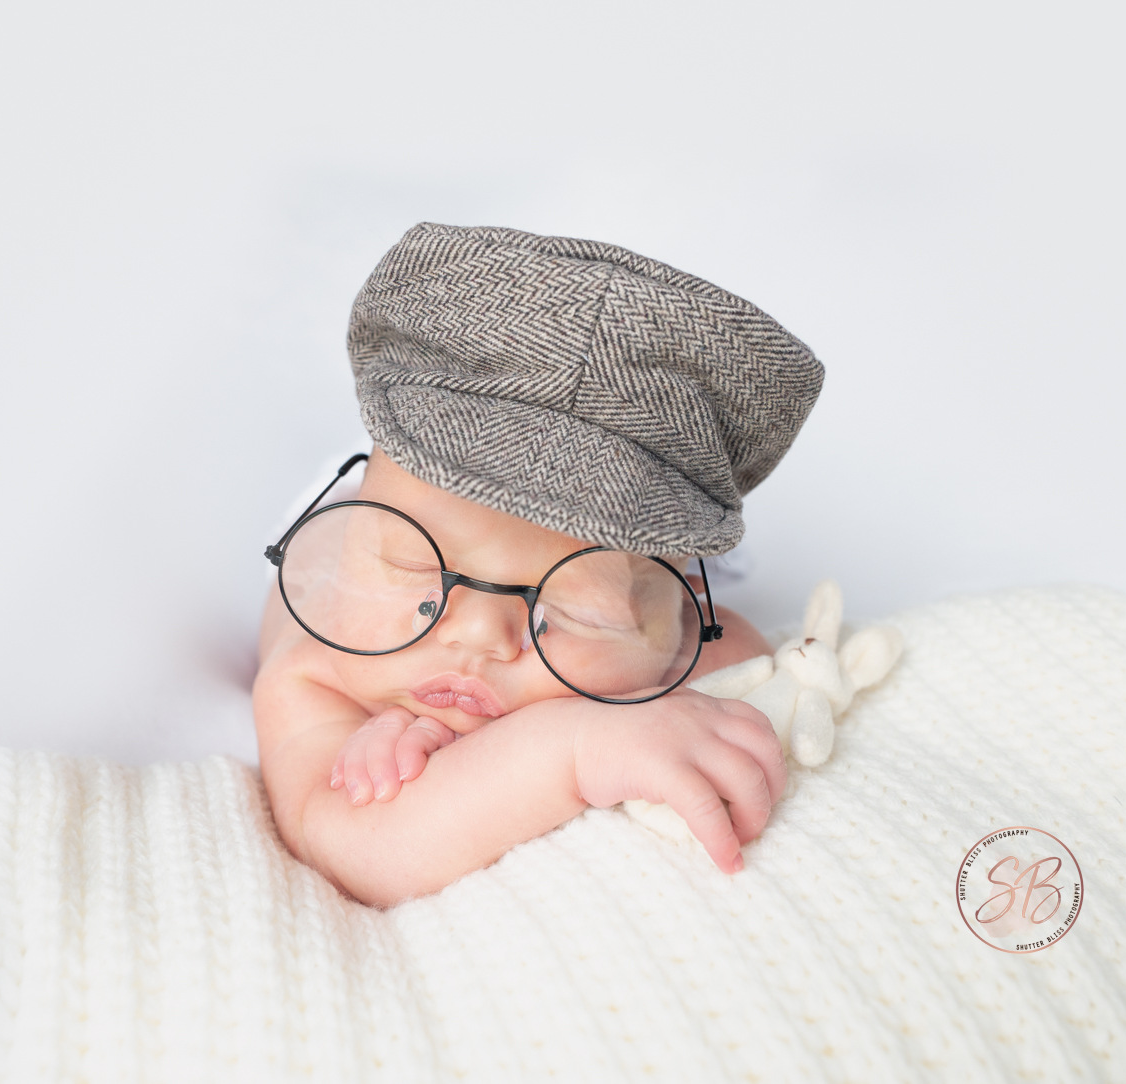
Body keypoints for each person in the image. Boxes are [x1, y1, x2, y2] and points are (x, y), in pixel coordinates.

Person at [253, 222, 824, 909]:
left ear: (688, 609)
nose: (480, 634)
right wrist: (572, 746)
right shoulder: (318, 664)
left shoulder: (683, 622)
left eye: (569, 610)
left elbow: (744, 680)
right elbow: (351, 846)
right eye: (416, 571)